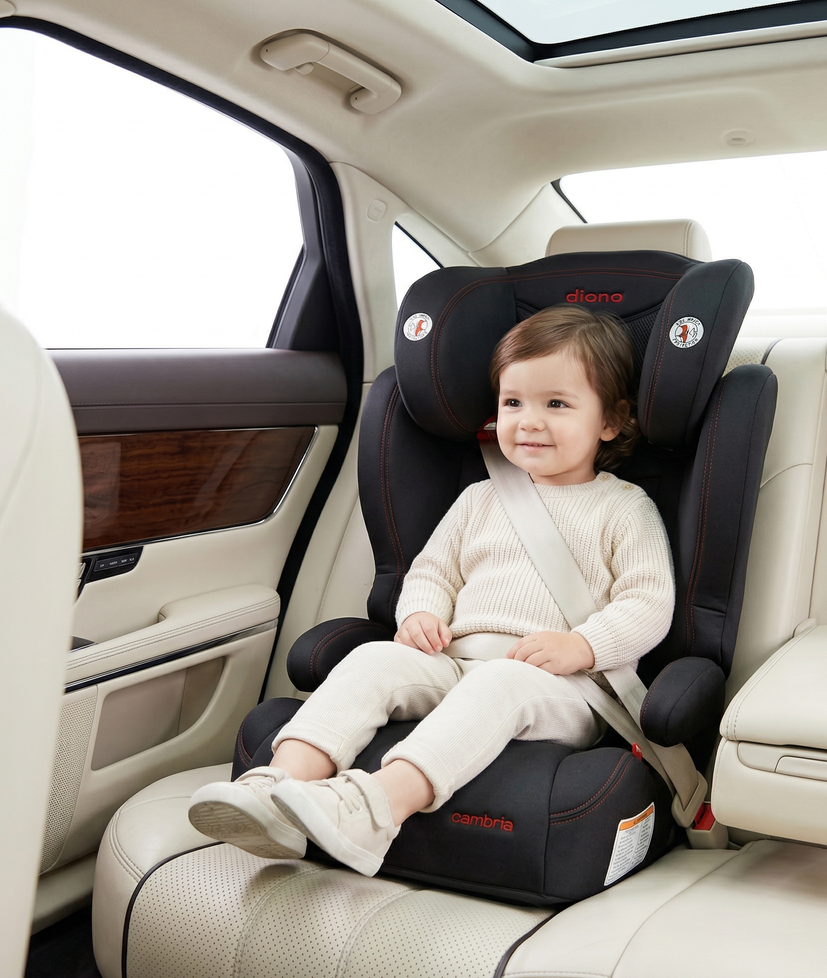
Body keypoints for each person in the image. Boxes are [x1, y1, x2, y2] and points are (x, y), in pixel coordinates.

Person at [188, 305, 675, 876]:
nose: (529, 421)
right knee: (373, 660)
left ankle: (374, 810)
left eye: (557, 404)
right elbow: (433, 573)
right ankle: (274, 788)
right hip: (454, 662)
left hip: (562, 688)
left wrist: (583, 646)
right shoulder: (479, 499)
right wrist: (420, 613)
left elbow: (648, 602)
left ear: (611, 421)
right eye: (513, 403)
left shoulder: (623, 508)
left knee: (499, 682)